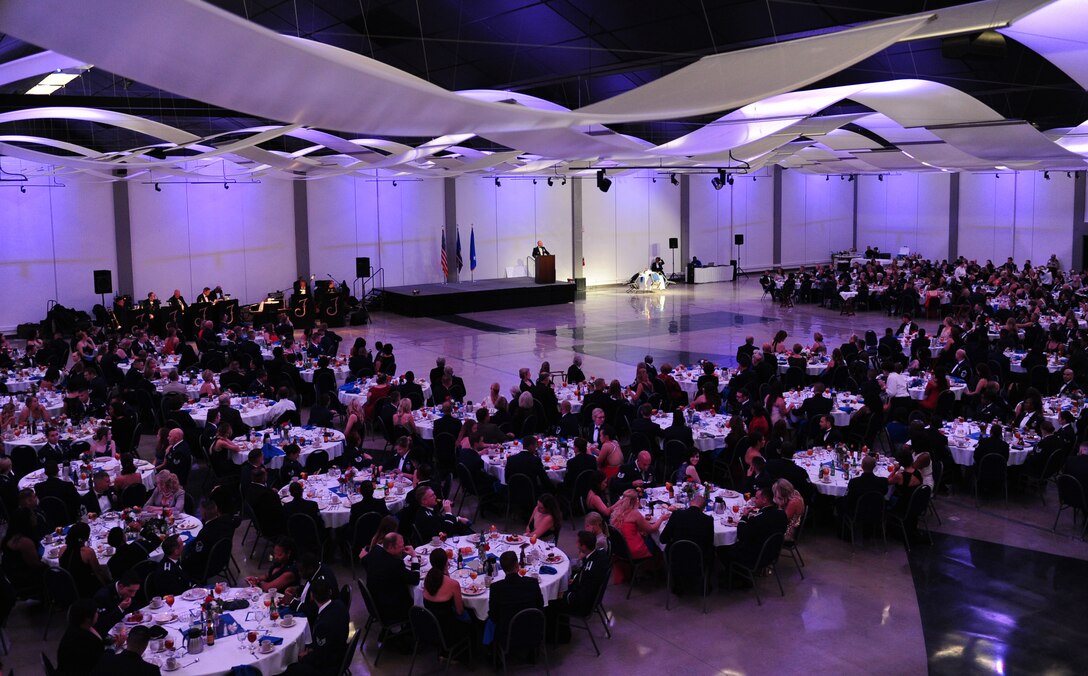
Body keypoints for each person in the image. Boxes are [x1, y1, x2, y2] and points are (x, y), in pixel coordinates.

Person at [717, 485, 787, 572]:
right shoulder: (782, 514)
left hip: (756, 557)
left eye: (757, 498)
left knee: (720, 547)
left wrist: (744, 516)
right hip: (772, 553)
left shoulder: (759, 519)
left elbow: (741, 535)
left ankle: (736, 575)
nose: (754, 500)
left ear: (765, 500)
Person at [487, 550, 544, 646]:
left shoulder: (496, 588)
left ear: (502, 568)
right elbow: (540, 605)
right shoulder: (532, 583)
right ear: (517, 565)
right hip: (533, 631)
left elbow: (493, 616)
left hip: (507, 635)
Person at [362, 532, 419, 624]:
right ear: (391, 547)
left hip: (375, 600)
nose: (403, 548)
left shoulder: (376, 550)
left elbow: (364, 561)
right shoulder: (396, 564)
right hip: (390, 608)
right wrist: (414, 556)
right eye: (401, 546)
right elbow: (415, 579)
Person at [422, 548, 472, 645]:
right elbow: (460, 611)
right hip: (450, 630)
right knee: (472, 615)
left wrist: (445, 571)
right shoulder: (453, 584)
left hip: (432, 625)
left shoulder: (427, 578)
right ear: (446, 562)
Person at [181, 496, 237, 579]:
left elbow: (197, 556)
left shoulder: (205, 533)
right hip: (223, 559)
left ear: (203, 514)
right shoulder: (228, 523)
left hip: (208, 567)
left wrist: (183, 559)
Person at [610, 489, 667, 564]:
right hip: (634, 551)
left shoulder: (616, 512)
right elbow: (652, 529)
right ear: (635, 501)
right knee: (654, 538)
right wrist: (662, 518)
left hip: (621, 550)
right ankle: (658, 565)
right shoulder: (634, 514)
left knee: (645, 533)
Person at [659, 492, 714, 569]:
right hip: (698, 559)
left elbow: (663, 539)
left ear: (690, 503)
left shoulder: (676, 514)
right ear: (703, 508)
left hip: (675, 557)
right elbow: (709, 544)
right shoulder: (708, 520)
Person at [59, 522, 111, 598]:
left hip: (68, 588)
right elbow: (98, 573)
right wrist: (106, 588)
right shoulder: (87, 552)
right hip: (85, 590)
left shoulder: (62, 549)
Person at [57, 599, 106, 675]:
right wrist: (116, 646)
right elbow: (101, 661)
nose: (98, 614)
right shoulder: (86, 639)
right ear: (87, 619)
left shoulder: (75, 628)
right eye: (96, 612)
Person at [90, 624, 159, 676]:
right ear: (146, 644)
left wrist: (117, 644)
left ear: (127, 640)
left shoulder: (106, 659)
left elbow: (108, 652)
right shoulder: (151, 671)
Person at [92, 571, 141, 636]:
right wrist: (120, 608)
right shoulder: (102, 596)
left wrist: (136, 611)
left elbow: (134, 605)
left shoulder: (129, 591)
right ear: (120, 586)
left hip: (126, 627)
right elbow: (102, 623)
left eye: (136, 591)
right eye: (131, 591)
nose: (133, 595)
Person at [773, 478, 805, 544]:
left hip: (788, 533)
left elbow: (782, 520)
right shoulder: (794, 493)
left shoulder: (793, 502)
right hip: (787, 526)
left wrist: (779, 504)